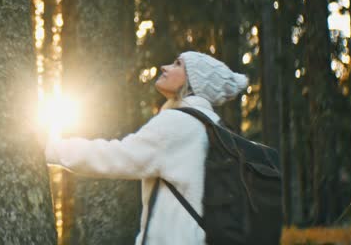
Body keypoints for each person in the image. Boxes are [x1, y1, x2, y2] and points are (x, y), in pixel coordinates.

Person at [45, 51, 248, 245]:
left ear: (196, 80)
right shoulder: (216, 127)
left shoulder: (178, 123)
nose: (165, 67)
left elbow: (115, 157)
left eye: (178, 64)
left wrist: (52, 149)